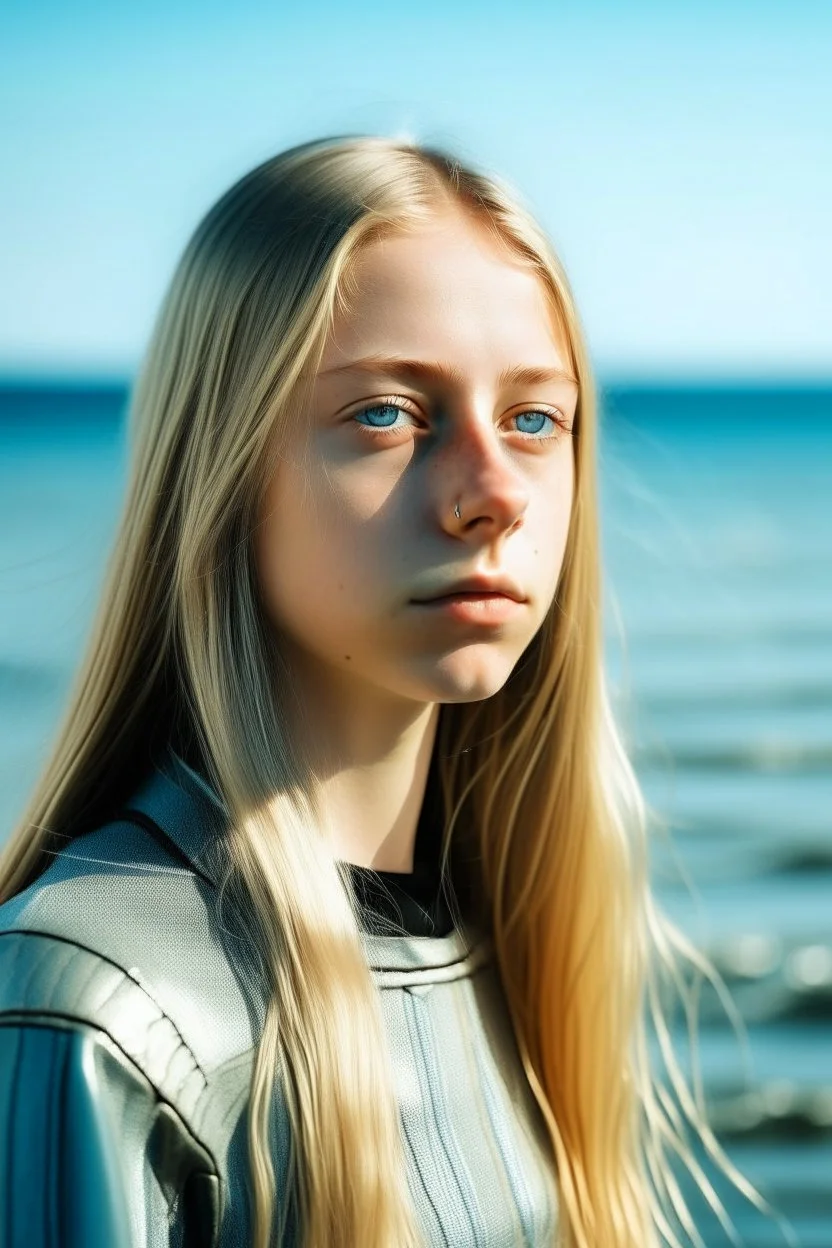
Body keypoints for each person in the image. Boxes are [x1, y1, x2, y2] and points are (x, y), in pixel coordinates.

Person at [0, 135, 758, 1248]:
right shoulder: (99, 1005)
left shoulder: (518, 941)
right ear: (220, 460)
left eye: (533, 419)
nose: (495, 494)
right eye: (388, 414)